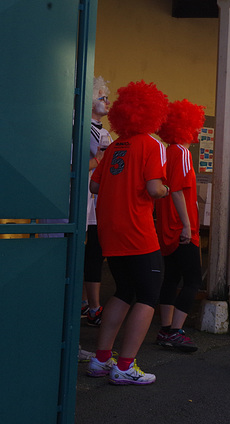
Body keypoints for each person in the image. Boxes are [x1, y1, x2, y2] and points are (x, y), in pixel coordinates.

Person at [86, 80, 170, 385]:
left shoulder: (116, 144)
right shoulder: (153, 144)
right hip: (138, 230)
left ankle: (101, 359)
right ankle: (125, 365)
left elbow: (94, 185)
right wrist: (164, 189)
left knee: (123, 291)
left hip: (110, 230)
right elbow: (154, 188)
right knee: (148, 295)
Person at [154, 99, 205, 353]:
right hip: (181, 227)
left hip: (167, 226)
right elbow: (177, 191)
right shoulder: (182, 153)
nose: (198, 131)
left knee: (171, 277)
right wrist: (187, 225)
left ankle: (165, 329)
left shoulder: (167, 151)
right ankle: (174, 331)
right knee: (194, 279)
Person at [82, 76, 113, 327]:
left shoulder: (105, 132)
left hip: (97, 203)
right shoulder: (80, 127)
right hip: (81, 202)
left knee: (94, 253)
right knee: (89, 254)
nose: (107, 102)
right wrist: (102, 159)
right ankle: (92, 307)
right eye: (102, 98)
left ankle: (87, 304)